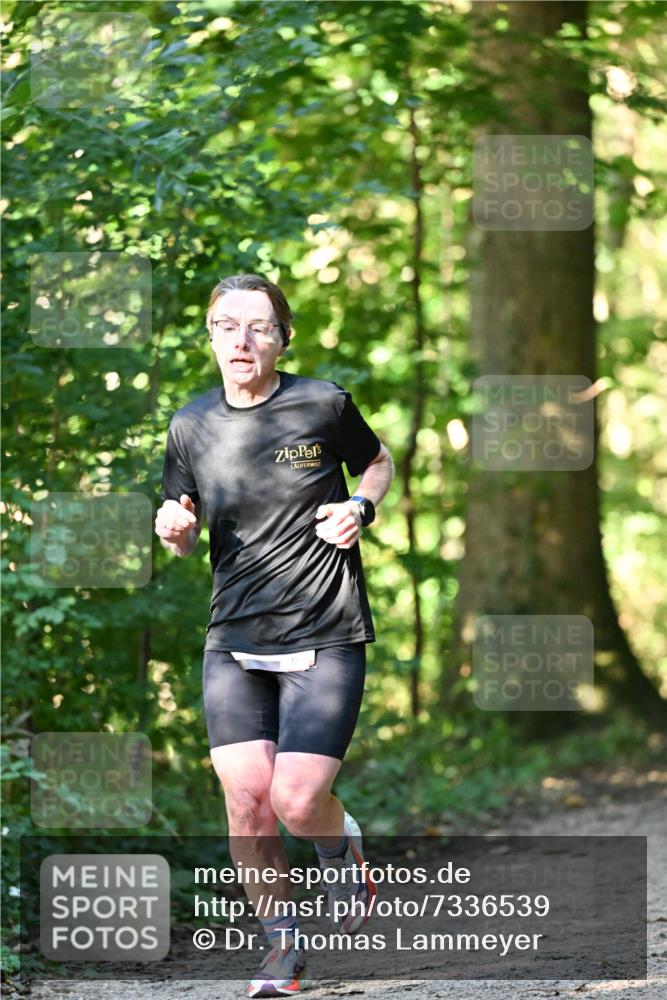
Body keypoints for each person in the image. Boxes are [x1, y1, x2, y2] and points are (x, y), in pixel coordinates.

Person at [155, 273, 394, 997]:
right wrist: (173, 529)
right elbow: (181, 522)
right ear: (211, 337)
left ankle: (336, 845)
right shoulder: (189, 426)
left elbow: (377, 463)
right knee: (245, 799)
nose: (242, 339)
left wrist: (359, 505)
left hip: (325, 629)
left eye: (258, 326)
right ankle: (281, 952)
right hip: (233, 635)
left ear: (282, 337)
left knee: (294, 799)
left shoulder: (321, 403)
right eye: (226, 325)